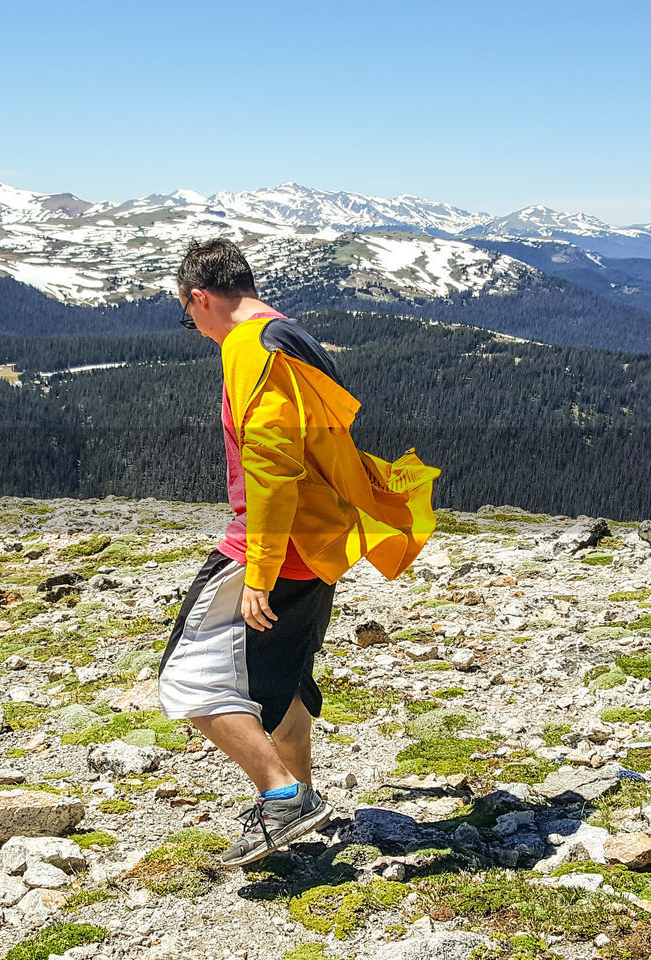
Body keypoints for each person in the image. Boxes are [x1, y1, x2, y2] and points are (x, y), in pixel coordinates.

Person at [157, 237, 440, 868]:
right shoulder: (289, 334)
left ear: (200, 297)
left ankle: (283, 797)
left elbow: (272, 467)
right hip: (321, 541)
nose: (194, 327)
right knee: (281, 677)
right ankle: (301, 795)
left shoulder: (248, 350)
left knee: (189, 679)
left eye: (188, 313)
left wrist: (256, 571)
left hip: (275, 546)